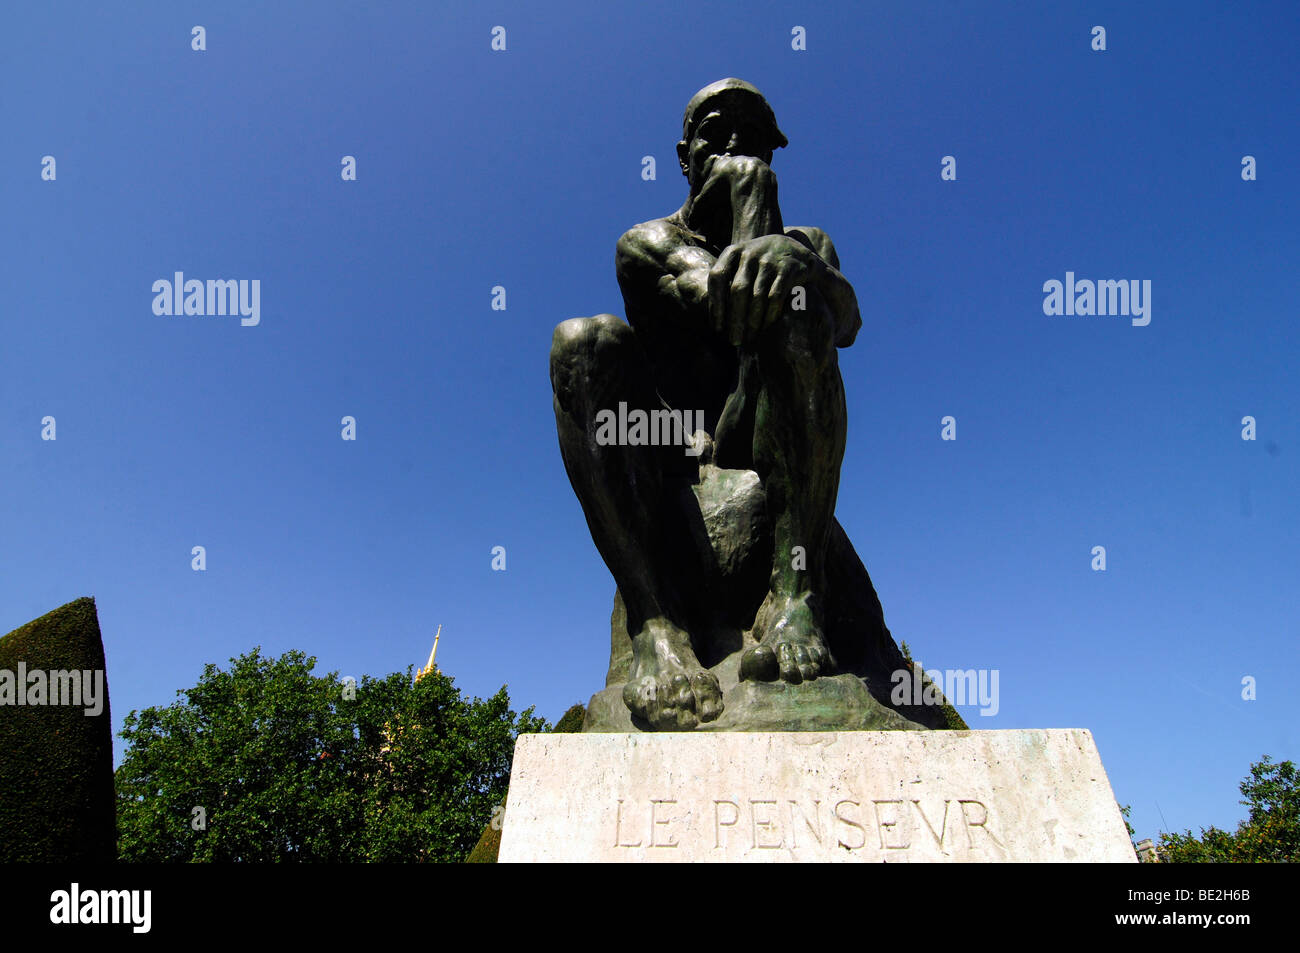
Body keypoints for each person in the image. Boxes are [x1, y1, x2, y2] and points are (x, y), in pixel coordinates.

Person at [550, 79, 862, 729]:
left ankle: (795, 596)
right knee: (584, 341)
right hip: (674, 457)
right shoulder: (647, 243)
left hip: (762, 446)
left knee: (801, 306)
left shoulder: (807, 242)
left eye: (750, 139)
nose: (732, 148)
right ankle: (655, 626)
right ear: (684, 155)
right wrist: (752, 203)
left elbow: (846, 322)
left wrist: (793, 257)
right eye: (715, 133)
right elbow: (728, 307)